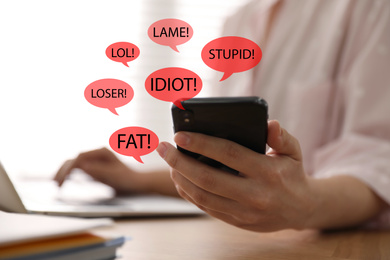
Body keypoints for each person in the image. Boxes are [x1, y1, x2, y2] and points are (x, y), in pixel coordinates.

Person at [55, 0, 390, 231]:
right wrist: (134, 179)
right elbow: (229, 170)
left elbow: (380, 161)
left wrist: (304, 204)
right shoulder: (239, 22)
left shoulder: (373, 9)